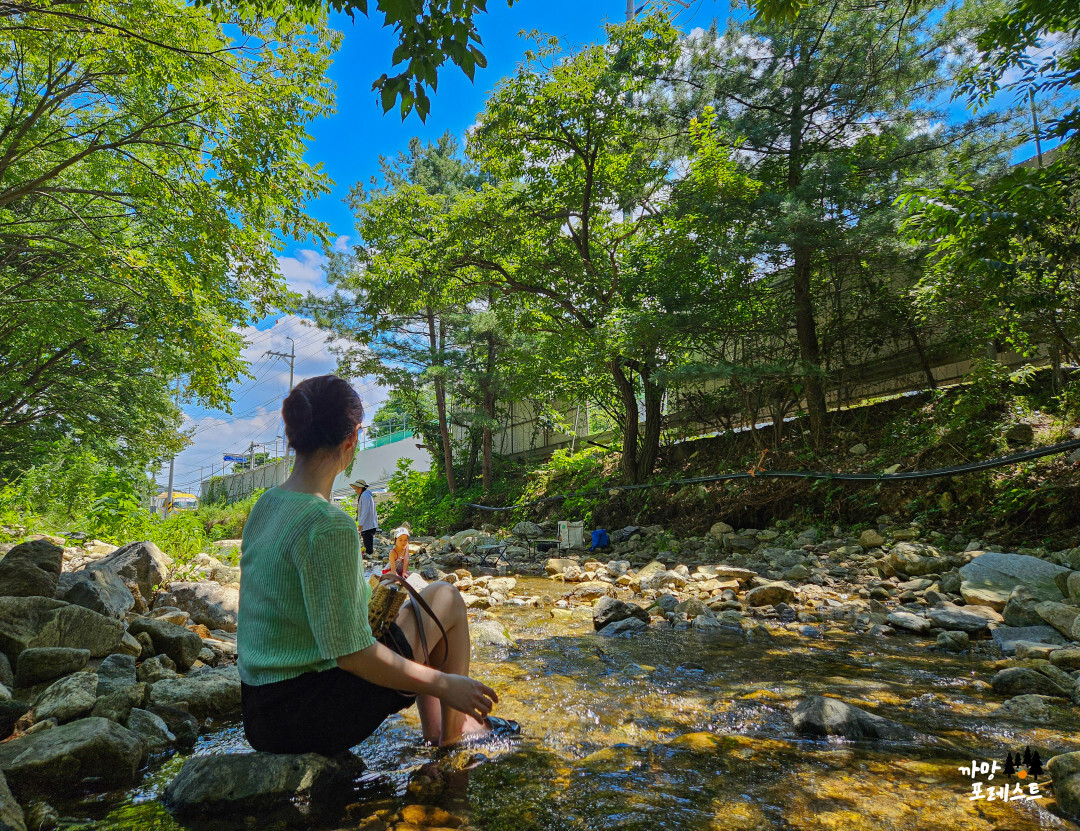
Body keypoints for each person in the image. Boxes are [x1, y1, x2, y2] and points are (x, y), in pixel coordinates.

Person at [237, 374, 505, 754]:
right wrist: (443, 684)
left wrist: (388, 584)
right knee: (444, 598)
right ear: (353, 439)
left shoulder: (266, 505)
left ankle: (445, 733)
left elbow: (313, 613)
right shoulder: (327, 523)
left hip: (261, 712)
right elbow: (351, 653)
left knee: (419, 596)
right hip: (306, 718)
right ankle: (452, 742)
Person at [350, 478, 378, 557]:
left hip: (367, 524)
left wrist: (361, 524)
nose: (355, 490)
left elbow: (365, 511)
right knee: (367, 540)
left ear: (360, 488)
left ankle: (369, 556)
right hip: (370, 524)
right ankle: (367, 554)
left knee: (368, 541)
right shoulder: (366, 495)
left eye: (356, 488)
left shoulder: (365, 496)